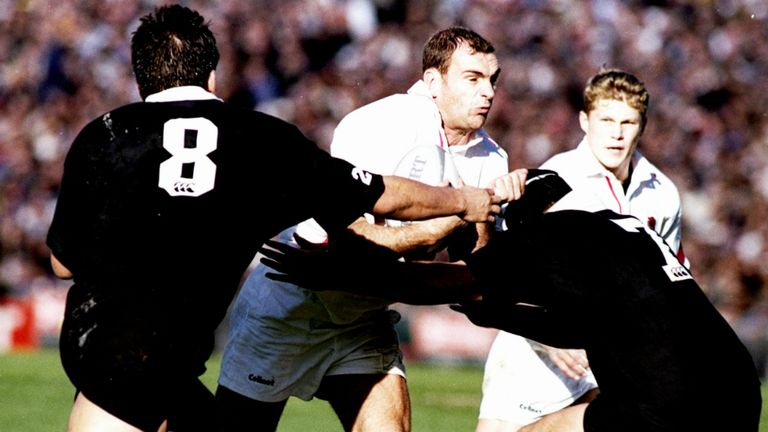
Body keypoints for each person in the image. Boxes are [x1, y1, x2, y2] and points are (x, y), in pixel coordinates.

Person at [45, 6, 503, 432]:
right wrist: (460, 204)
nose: (488, 90)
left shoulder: (101, 134)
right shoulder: (265, 138)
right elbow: (379, 195)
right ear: (213, 76)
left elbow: (63, 264)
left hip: (107, 344)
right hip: (227, 332)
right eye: (475, 77)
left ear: (140, 77)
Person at [259, 170, 762, 432]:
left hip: (664, 407)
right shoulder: (623, 229)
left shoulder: (551, 235)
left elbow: (442, 285)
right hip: (738, 394)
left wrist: (333, 273)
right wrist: (500, 314)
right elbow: (585, 328)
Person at [216, 26, 525, 432]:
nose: (488, 92)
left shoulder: (492, 159)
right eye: (473, 78)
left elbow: (481, 278)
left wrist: (487, 217)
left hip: (362, 318)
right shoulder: (382, 123)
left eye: (492, 80)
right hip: (292, 304)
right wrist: (455, 218)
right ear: (433, 82)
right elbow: (352, 241)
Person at [476, 68, 690, 431]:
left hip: (612, 363)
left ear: (643, 125)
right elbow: (511, 272)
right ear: (584, 120)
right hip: (535, 359)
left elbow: (669, 282)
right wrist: (549, 338)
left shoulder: (663, 193)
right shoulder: (556, 179)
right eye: (606, 119)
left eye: (628, 121)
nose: (617, 132)